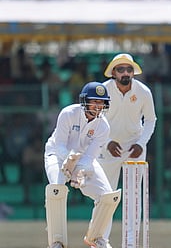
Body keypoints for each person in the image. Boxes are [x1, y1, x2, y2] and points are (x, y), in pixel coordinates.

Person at [44, 82, 120, 248]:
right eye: (95, 101)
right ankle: (56, 242)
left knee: (107, 197)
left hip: (83, 159)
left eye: (101, 102)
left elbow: (90, 156)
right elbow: (60, 146)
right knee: (56, 190)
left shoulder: (103, 126)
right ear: (85, 100)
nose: (98, 106)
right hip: (56, 156)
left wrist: (80, 171)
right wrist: (69, 163)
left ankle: (97, 238)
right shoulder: (68, 113)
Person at [98, 53, 157, 247]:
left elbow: (150, 120)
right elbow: (96, 118)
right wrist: (107, 141)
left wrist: (141, 143)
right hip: (108, 148)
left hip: (134, 148)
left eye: (129, 69)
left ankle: (130, 243)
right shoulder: (103, 90)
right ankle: (100, 240)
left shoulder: (143, 91)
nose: (126, 73)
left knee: (134, 197)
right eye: (121, 69)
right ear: (113, 72)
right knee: (105, 195)